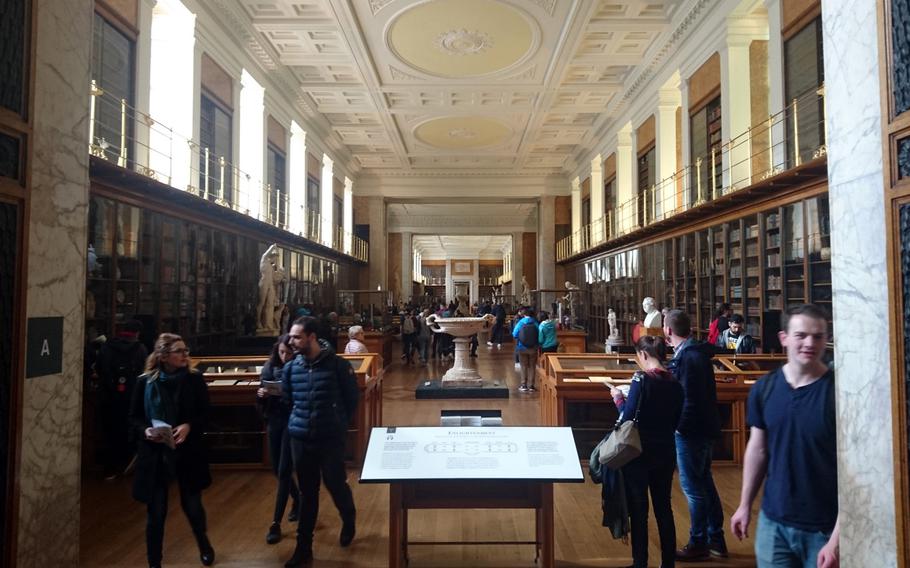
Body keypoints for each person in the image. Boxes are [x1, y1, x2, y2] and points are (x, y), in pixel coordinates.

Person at [730, 304, 839, 568]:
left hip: (824, 529)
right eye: (801, 335)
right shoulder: (764, 389)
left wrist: (836, 540)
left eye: (818, 336)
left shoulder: (839, 393)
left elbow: (856, 472)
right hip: (773, 524)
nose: (809, 343)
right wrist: (744, 504)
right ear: (784, 338)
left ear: (827, 340)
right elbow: (758, 449)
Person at [129, 333, 214, 568]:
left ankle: (204, 544)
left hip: (187, 451)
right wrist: (146, 431)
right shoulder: (145, 382)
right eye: (180, 351)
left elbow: (206, 413)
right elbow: (134, 417)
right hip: (156, 454)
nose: (186, 355)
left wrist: (189, 426)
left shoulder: (194, 380)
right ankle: (154, 562)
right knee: (156, 513)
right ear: (164, 356)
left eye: (186, 350)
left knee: (193, 506)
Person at [283, 317, 359, 567]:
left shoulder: (337, 366)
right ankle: (303, 548)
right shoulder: (291, 368)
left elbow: (351, 399)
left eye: (296, 337)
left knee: (335, 483)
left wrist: (338, 423)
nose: (290, 341)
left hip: (329, 437)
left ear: (312, 337)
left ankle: (348, 518)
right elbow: (288, 399)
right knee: (307, 493)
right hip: (301, 438)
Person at [609, 336, 684, 568]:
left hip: (639, 452)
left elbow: (628, 417)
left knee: (639, 509)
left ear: (643, 354)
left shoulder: (641, 380)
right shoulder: (675, 382)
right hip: (665, 449)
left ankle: (640, 562)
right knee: (664, 508)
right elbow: (677, 419)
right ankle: (668, 563)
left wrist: (618, 399)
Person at [663, 309, 726, 560]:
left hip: (692, 431)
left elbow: (689, 399)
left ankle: (699, 542)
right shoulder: (694, 353)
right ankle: (716, 539)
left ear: (668, 330)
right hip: (702, 428)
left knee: (693, 488)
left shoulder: (690, 358)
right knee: (704, 483)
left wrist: (679, 427)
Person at [257, 335, 301, 545]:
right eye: (282, 352)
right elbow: (260, 397)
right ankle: (297, 498)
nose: (285, 356)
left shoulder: (300, 368)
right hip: (274, 420)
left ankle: (275, 523)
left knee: (284, 471)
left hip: (292, 422)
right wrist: (262, 393)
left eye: (289, 353)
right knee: (276, 468)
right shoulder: (269, 367)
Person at [97, 319, 148, 479]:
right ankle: (127, 464)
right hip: (132, 396)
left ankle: (110, 469)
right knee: (130, 430)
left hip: (109, 397)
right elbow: (145, 372)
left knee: (110, 431)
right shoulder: (140, 348)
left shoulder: (107, 346)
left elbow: (100, 368)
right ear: (138, 333)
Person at [512, 309, 539, 393]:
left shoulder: (520, 322)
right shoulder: (535, 322)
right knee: (532, 366)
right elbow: (539, 333)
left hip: (522, 347)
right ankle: (531, 386)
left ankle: (523, 385)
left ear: (524, 315)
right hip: (533, 348)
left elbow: (514, 334)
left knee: (523, 366)